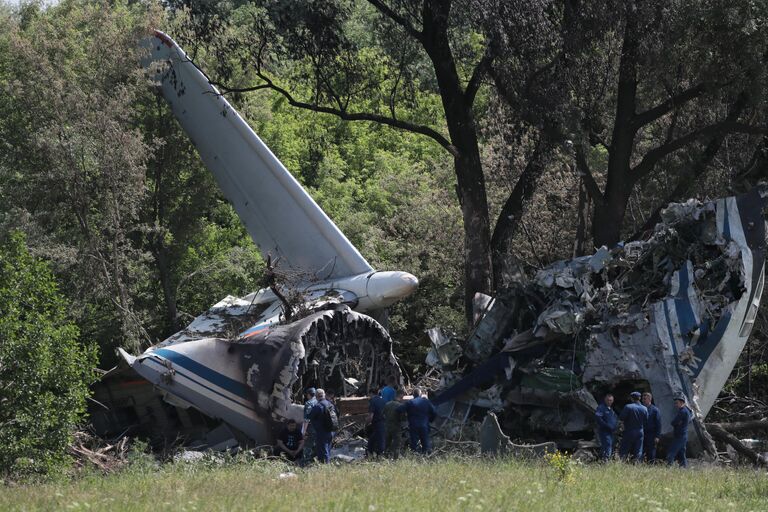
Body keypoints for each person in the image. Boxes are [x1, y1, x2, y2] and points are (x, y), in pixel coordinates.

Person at [398, 387, 437, 454]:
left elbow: (399, 410)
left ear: (413, 395)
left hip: (413, 425)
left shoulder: (409, 402)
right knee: (425, 443)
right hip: (424, 425)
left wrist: (404, 417)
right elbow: (434, 412)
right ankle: (425, 458)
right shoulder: (426, 402)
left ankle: (415, 457)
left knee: (414, 444)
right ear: (421, 394)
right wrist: (430, 420)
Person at [307, 388, 335, 463]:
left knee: (323, 450)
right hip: (331, 430)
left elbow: (310, 416)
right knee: (328, 449)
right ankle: (327, 464)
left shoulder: (318, 406)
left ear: (316, 396)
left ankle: (325, 467)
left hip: (322, 431)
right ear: (324, 395)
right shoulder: (330, 404)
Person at [619, 391, 648, 461]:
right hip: (640, 431)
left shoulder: (628, 407)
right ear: (640, 398)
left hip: (629, 430)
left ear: (631, 398)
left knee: (624, 449)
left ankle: (622, 463)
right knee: (638, 450)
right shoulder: (645, 408)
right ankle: (638, 465)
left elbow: (621, 417)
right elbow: (646, 420)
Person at [667, 395, 692, 468]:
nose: (675, 405)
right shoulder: (686, 411)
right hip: (683, 435)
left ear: (682, 403)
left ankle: (669, 467)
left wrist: (676, 423)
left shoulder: (683, 412)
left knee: (671, 452)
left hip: (680, 436)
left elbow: (673, 422)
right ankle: (684, 467)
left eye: (677, 403)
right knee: (681, 453)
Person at [595, 393, 618, 461]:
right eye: (608, 400)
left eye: (611, 400)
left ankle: (604, 459)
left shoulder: (611, 409)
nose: (609, 402)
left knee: (610, 446)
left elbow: (615, 418)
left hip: (612, 431)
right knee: (607, 445)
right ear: (605, 400)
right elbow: (598, 418)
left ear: (613, 401)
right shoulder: (601, 407)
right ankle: (606, 462)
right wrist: (606, 426)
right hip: (604, 431)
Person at [383, 389, 405, 458]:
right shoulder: (400, 406)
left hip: (387, 426)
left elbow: (383, 415)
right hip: (396, 427)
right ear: (401, 396)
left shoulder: (387, 404)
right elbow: (402, 418)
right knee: (397, 444)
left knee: (387, 443)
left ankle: (385, 457)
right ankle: (395, 459)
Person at [642, 392, 662, 463]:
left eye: (645, 399)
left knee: (651, 451)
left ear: (650, 399)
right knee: (642, 450)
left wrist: (657, 436)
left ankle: (651, 465)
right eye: (643, 399)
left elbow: (658, 424)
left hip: (651, 434)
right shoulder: (641, 408)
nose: (643, 400)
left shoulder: (654, 410)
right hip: (642, 433)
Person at [367, 387, 387, 457]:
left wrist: (367, 423)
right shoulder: (383, 401)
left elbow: (371, 415)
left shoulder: (372, 401)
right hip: (384, 421)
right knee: (374, 438)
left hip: (377, 422)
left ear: (371, 393)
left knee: (380, 439)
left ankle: (380, 455)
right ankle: (370, 452)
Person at [302, 387, 317, 464]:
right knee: (316, 444)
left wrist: (304, 431)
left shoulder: (309, 403)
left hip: (310, 428)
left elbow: (307, 419)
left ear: (308, 394)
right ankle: (315, 462)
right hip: (319, 428)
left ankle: (306, 462)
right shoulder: (319, 401)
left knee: (307, 445)